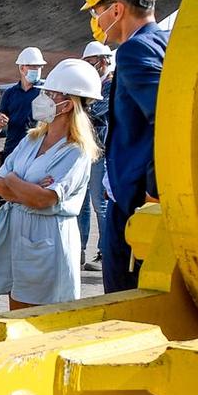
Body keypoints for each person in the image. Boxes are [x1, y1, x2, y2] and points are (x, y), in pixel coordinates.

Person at [83, 0, 167, 292]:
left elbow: (166, 122)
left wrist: (152, 195)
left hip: (134, 207)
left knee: (123, 304)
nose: (97, 21)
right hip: (142, 201)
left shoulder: (135, 51)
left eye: (96, 11)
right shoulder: (165, 42)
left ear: (116, 9)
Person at [0, 58, 101, 307]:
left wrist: (13, 180)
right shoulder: (31, 139)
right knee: (16, 310)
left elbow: (43, 199)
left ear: (68, 105)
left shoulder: (76, 151)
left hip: (50, 238)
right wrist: (24, 187)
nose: (43, 99)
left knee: (42, 317)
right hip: (18, 232)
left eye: (51, 94)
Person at [79, 39, 115, 264]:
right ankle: (79, 249)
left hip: (99, 151)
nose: (89, 67)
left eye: (92, 62)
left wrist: (79, 107)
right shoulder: (88, 84)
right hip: (82, 148)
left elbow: (97, 111)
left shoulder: (111, 85)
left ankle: (105, 252)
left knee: (99, 203)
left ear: (103, 62)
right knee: (80, 203)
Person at [0, 47, 45, 161]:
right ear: (22, 68)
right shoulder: (10, 93)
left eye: (39, 66)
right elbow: (0, 117)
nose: (36, 69)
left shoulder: (46, 92)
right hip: (12, 149)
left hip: (36, 151)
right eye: (32, 66)